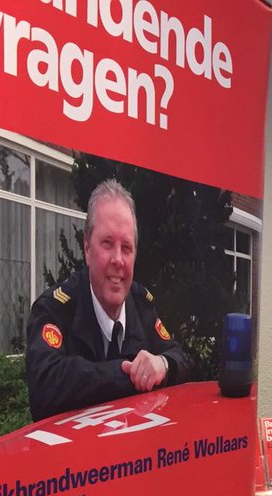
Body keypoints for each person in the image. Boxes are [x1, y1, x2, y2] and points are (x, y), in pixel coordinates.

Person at [25, 179, 191, 421]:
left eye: (126, 247)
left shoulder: (140, 302)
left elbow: (181, 360)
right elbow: (45, 387)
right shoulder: (55, 309)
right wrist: (128, 374)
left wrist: (161, 365)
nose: (118, 260)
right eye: (107, 243)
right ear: (87, 249)